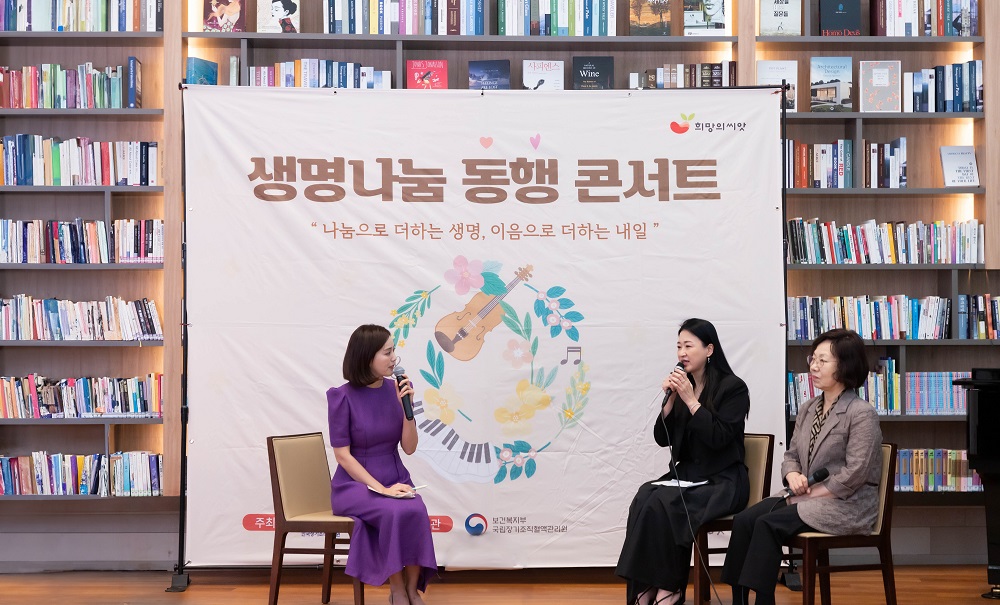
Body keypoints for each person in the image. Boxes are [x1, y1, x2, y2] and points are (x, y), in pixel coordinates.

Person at [721, 328, 883, 605]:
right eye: (813, 359)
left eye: (823, 360)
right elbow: (791, 454)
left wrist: (809, 494)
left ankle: (763, 601)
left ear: (845, 366)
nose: (813, 366)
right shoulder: (808, 408)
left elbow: (855, 473)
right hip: (805, 497)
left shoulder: (861, 413)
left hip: (847, 505)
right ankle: (739, 599)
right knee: (745, 520)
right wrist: (793, 473)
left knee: (768, 524)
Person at [616, 318, 751, 605]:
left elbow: (719, 438)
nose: (682, 353)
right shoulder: (683, 387)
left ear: (709, 349)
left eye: (689, 346)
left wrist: (691, 402)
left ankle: (670, 590)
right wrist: (670, 401)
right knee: (645, 496)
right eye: (679, 346)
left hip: (723, 480)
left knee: (665, 501)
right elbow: (662, 438)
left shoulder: (733, 388)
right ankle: (645, 587)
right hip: (689, 476)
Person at [327, 324, 437, 605]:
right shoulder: (341, 396)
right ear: (367, 357)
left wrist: (408, 409)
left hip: (394, 474)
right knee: (392, 510)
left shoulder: (395, 391)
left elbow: (409, 448)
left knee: (416, 508)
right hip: (354, 484)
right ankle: (396, 589)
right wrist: (381, 490)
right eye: (387, 353)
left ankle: (412, 589)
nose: (394, 359)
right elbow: (343, 456)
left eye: (393, 351)